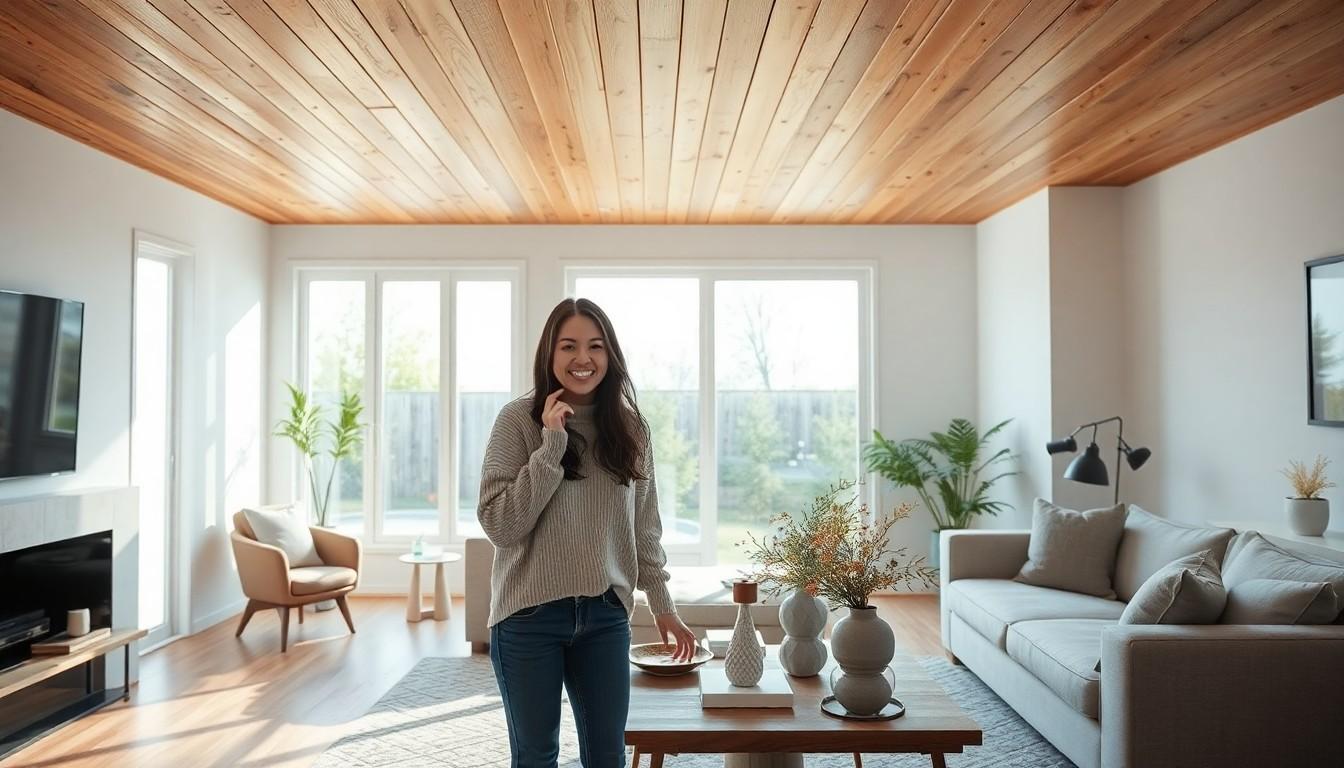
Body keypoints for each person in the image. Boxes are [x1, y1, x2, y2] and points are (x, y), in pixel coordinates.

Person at [478, 297, 697, 768]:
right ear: (549, 355)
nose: (583, 359)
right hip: (527, 615)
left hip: (604, 617)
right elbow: (501, 526)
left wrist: (664, 607)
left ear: (610, 355)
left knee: (608, 757)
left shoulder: (631, 428)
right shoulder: (517, 421)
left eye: (595, 346)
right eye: (569, 346)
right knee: (536, 757)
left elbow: (645, 527)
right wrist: (551, 444)